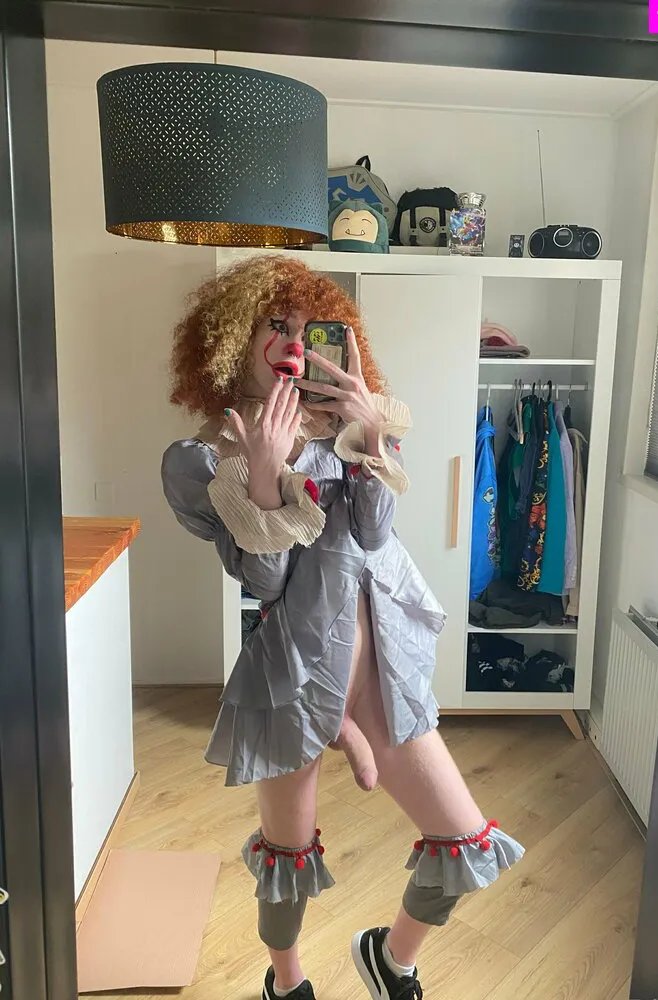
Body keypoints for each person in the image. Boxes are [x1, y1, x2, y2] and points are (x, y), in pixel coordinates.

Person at [161, 256, 524, 1000]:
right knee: (289, 859)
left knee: (464, 838)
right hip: (294, 678)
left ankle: (391, 959)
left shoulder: (342, 428)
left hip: (384, 669)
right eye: (276, 324)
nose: (295, 341)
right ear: (231, 338)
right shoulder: (204, 456)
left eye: (309, 327)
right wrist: (266, 478)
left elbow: (374, 533)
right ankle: (286, 982)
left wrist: (369, 434)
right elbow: (265, 584)